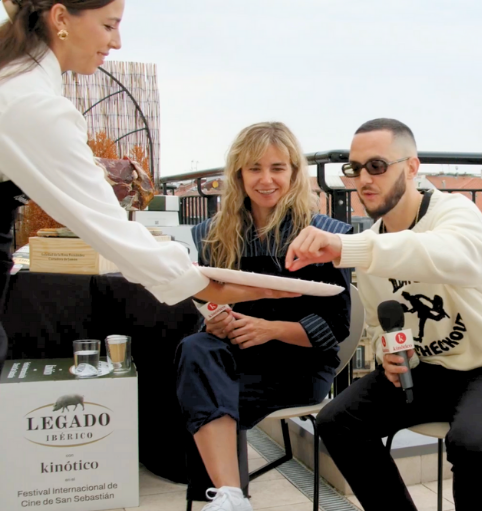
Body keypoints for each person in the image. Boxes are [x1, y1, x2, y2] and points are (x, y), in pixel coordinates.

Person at [0, 0, 290, 372]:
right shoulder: (30, 102)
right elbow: (108, 225)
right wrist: (202, 284)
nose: (117, 41)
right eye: (108, 25)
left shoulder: (18, 80)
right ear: (60, 18)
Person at [284, 118, 482, 511]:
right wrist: (383, 352)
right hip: (429, 370)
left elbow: (447, 254)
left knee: (472, 444)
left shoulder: (455, 212)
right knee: (337, 423)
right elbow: (377, 324)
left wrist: (348, 247)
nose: (363, 179)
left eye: (377, 166)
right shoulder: (369, 244)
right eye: (354, 169)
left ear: (411, 167)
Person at [176, 122, 353, 511]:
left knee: (201, 392)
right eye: (254, 168)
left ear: (294, 172)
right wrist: (215, 322)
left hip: (297, 365)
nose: (266, 179)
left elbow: (337, 327)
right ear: (239, 174)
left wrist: (268, 329)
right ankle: (231, 495)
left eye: (278, 168)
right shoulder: (212, 234)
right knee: (195, 348)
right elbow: (208, 306)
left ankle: (225, 497)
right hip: (237, 357)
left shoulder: (322, 233)